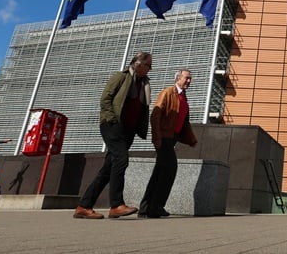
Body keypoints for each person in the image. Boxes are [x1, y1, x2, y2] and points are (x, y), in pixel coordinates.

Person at [74, 51, 152, 219]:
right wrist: (111, 119)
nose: (150, 69)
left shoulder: (144, 84)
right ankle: (116, 205)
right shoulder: (121, 77)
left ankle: (84, 206)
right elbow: (105, 99)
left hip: (128, 131)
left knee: (108, 169)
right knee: (121, 159)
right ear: (138, 64)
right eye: (148, 65)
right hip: (112, 126)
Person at [138, 68, 198, 219]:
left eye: (190, 79)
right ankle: (156, 207)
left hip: (172, 138)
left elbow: (184, 122)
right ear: (178, 78)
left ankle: (145, 208)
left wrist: (191, 139)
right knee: (170, 168)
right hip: (163, 137)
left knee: (159, 171)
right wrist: (156, 137)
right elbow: (155, 116)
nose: (189, 81)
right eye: (186, 78)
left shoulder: (183, 97)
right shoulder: (167, 93)